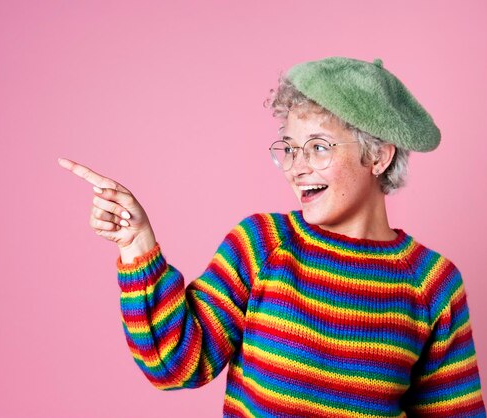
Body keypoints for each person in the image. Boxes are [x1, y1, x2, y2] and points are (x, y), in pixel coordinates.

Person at [59, 56, 486, 417]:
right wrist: (138, 246)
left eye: (318, 147)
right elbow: (174, 365)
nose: (296, 167)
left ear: (377, 155)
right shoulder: (263, 245)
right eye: (289, 147)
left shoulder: (433, 284)